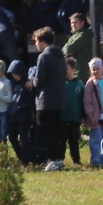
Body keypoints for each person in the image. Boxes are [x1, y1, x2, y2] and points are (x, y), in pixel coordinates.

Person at [31, 27, 67, 170]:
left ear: (43, 40)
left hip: (46, 100)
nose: (35, 44)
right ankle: (58, 157)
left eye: (36, 41)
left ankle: (53, 159)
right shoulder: (60, 56)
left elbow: (39, 81)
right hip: (60, 98)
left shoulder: (44, 56)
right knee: (55, 129)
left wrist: (31, 80)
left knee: (44, 129)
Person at [81, 58, 103, 169]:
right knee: (96, 137)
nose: (95, 71)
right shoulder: (90, 84)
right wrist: (90, 114)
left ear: (102, 69)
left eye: (97, 69)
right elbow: (87, 100)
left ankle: (102, 157)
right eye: (93, 69)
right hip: (94, 115)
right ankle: (95, 159)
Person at [60, 59, 84, 166]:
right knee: (61, 140)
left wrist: (83, 116)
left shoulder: (79, 84)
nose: (65, 71)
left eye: (68, 69)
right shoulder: (60, 83)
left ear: (74, 70)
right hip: (62, 117)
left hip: (75, 117)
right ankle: (60, 160)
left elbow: (83, 101)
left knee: (74, 140)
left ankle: (76, 160)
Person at [63, 12, 95, 79]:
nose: (73, 25)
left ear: (82, 23)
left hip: (82, 74)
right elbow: (63, 51)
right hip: (74, 72)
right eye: (72, 23)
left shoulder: (84, 35)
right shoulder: (73, 37)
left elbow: (69, 49)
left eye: (75, 22)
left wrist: (68, 50)